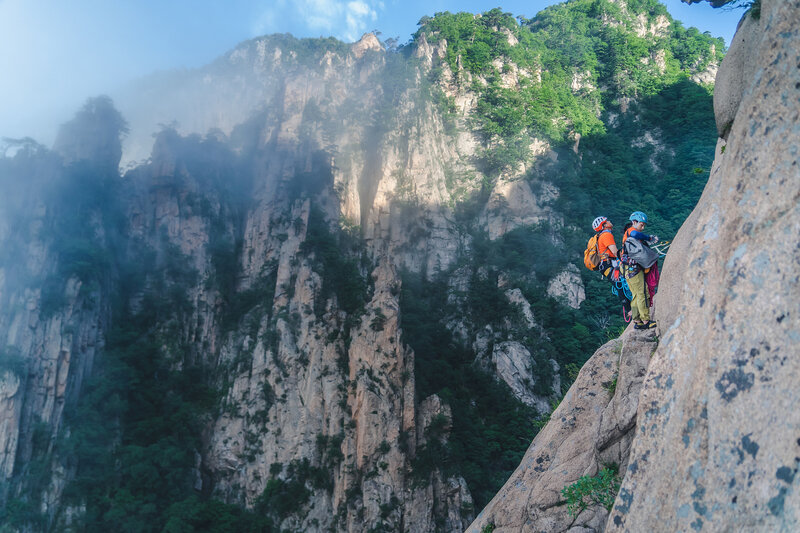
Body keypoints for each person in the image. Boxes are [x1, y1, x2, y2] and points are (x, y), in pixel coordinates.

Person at [622, 211, 659, 330]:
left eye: (644, 225)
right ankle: (646, 320)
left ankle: (637, 320)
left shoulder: (629, 235)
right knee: (642, 294)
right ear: (634, 222)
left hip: (627, 269)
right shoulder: (631, 232)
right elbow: (635, 233)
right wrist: (649, 238)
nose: (642, 227)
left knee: (635, 296)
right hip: (634, 270)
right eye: (641, 224)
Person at [592, 216, 632, 319]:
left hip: (606, 265)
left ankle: (630, 309)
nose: (610, 221)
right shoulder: (606, 235)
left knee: (619, 284)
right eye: (607, 221)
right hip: (609, 264)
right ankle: (630, 310)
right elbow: (614, 252)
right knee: (619, 285)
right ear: (604, 225)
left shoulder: (602, 235)